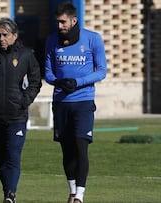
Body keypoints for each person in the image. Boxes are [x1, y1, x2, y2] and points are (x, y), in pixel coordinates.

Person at [0, 17, 42, 203]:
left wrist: (24, 100)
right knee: (1, 158)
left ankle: (11, 194)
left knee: (13, 154)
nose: (1, 38)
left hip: (17, 116)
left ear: (14, 36)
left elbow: (36, 81)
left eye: (5, 35)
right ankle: (8, 194)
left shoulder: (26, 55)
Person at [44, 2, 107, 203]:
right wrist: (58, 81)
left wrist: (78, 82)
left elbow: (101, 71)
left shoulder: (93, 39)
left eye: (63, 22)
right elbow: (48, 72)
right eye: (58, 22)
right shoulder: (51, 40)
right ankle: (72, 191)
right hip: (61, 102)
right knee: (67, 149)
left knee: (81, 146)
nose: (60, 26)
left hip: (83, 102)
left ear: (74, 20)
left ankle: (80, 196)